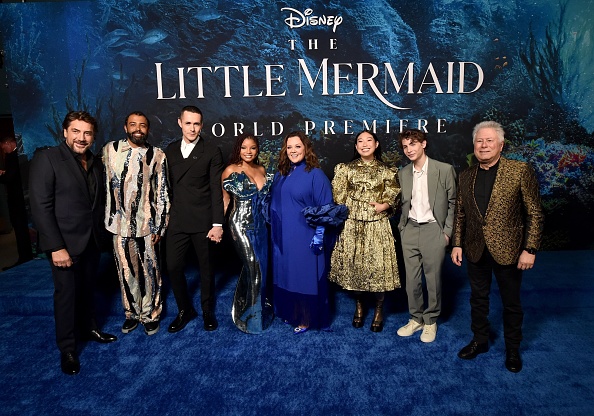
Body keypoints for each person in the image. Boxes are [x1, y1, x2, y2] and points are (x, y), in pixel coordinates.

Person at [451, 120, 544, 373]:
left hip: (510, 250)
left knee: (511, 302)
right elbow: (460, 214)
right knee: (478, 299)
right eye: (480, 141)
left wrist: (530, 248)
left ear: (500, 145)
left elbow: (534, 213)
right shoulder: (466, 175)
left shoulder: (519, 170)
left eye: (489, 140)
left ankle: (513, 349)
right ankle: (479, 341)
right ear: (474, 145)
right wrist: (457, 244)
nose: (484, 145)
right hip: (474, 248)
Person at [29, 111, 117, 375]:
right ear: (65, 132)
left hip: (90, 240)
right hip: (63, 244)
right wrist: (56, 247)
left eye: (87, 133)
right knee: (66, 296)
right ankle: (67, 349)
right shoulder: (47, 159)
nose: (82, 138)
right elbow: (40, 207)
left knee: (87, 289)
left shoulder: (95, 161)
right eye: (76, 131)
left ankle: (89, 328)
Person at [103, 111, 170, 336]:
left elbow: (162, 193)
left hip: (147, 226)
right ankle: (131, 314)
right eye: (133, 125)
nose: (138, 129)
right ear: (125, 127)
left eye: (142, 125)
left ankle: (150, 314)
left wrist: (160, 226)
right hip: (119, 225)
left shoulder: (157, 154)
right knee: (126, 272)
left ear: (148, 129)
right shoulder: (109, 150)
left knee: (150, 273)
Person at [328, 130, 401, 333]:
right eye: (360, 141)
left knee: (378, 267)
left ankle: (379, 308)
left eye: (369, 140)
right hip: (352, 224)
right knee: (355, 268)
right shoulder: (346, 169)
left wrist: (385, 206)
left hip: (377, 224)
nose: (364, 144)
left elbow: (394, 193)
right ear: (356, 146)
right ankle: (359, 305)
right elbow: (338, 195)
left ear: (376, 144)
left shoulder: (387, 170)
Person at [165, 106, 224, 333]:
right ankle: (184, 309)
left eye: (196, 124)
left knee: (206, 268)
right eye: (188, 123)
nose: (192, 128)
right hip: (177, 220)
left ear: (202, 125)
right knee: (173, 266)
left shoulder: (211, 150)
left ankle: (207, 310)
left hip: (203, 220)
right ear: (180, 122)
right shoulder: (169, 150)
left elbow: (215, 189)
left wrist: (217, 224)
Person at [270, 131, 335, 334]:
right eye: (289, 147)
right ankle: (292, 313)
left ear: (306, 148)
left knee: (303, 277)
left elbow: (326, 207)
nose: (293, 151)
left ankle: (306, 318)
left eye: (297, 146)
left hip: (305, 237)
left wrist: (318, 236)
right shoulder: (281, 174)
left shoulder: (316, 174)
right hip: (282, 237)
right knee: (287, 276)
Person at [396, 129, 457, 343]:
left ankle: (431, 321)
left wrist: (446, 233)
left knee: (433, 279)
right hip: (410, 229)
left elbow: (453, 203)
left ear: (424, 144)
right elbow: (402, 203)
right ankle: (416, 318)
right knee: (411, 280)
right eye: (405, 146)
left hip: (434, 230)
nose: (409, 149)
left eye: (412, 144)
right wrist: (403, 229)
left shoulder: (444, 169)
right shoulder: (403, 173)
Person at [222, 133, 274, 333]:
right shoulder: (230, 170)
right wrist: (217, 226)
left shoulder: (261, 169)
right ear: (238, 149)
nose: (248, 152)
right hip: (240, 224)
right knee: (254, 268)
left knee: (260, 268)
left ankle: (251, 306)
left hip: (261, 226)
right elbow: (225, 200)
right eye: (244, 148)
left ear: (257, 150)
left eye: (252, 148)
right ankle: (253, 314)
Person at [0, 135, 33, 269]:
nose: (3, 150)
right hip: (20, 200)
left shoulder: (14, 157)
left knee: (21, 230)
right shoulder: (18, 157)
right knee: (21, 230)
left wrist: (2, 175)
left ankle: (24, 257)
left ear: (8, 143)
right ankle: (25, 256)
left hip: (19, 201)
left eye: (3, 147)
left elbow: (10, 178)